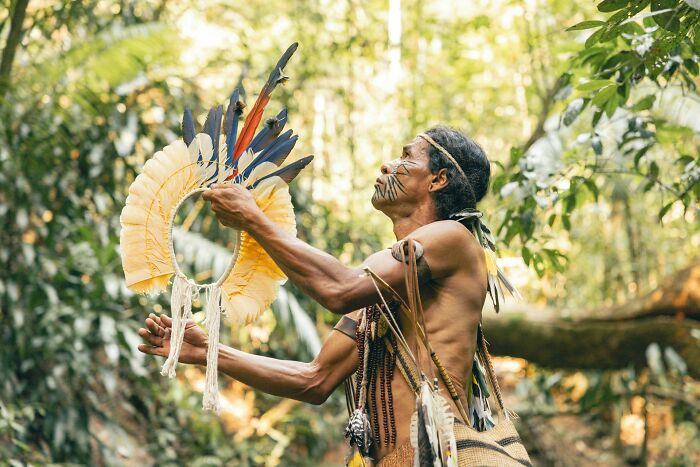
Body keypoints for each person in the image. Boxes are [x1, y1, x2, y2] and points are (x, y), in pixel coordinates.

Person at [138, 125, 494, 464]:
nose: (388, 164)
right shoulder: (383, 288)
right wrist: (208, 352)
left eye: (406, 157)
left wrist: (253, 219)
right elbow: (314, 379)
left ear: (438, 179)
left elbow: (338, 289)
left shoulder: (453, 237)